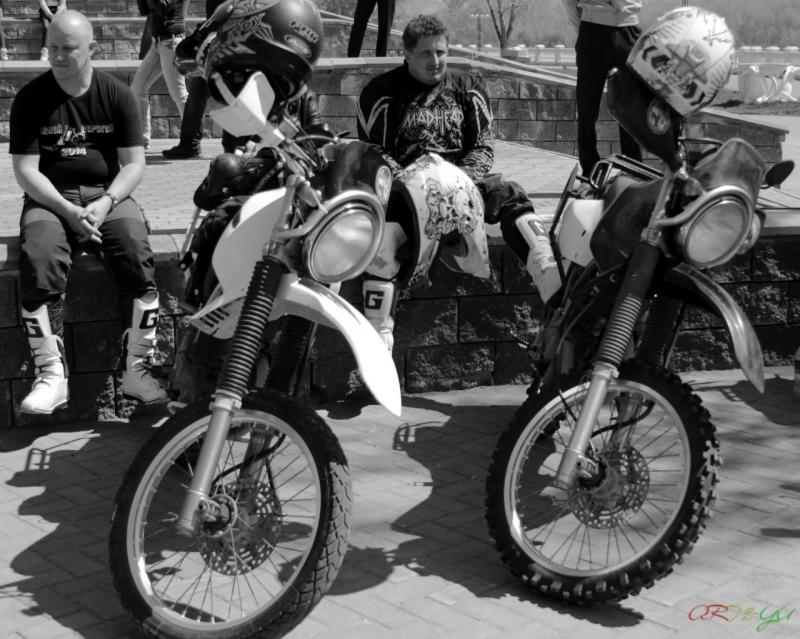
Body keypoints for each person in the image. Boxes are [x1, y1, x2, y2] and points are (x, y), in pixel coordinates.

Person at [357, 14, 560, 350]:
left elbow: (482, 146)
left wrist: (460, 180)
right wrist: (412, 182)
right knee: (383, 235)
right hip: (407, 193)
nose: (435, 61)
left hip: (462, 184)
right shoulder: (381, 92)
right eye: (425, 53)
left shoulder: (468, 88)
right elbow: (374, 152)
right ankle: (378, 339)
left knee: (508, 193)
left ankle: (551, 278)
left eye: (441, 52)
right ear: (407, 54)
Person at [9, 10, 166, 414]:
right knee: (40, 255)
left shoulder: (118, 94)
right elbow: (26, 171)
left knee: (135, 250)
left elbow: (134, 165)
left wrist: (106, 201)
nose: (58, 57)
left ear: (92, 49)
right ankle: (51, 375)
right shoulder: (30, 98)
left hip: (107, 194)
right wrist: (66, 209)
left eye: (68, 48)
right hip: (50, 196)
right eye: (52, 48)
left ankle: (137, 370)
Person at [561, 0, 643, 177]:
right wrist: (584, 28)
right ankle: (591, 169)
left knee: (629, 108)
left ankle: (633, 170)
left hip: (625, 29)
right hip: (595, 27)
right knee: (588, 106)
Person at [130, 0, 189, 150]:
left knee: (179, 93)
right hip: (157, 43)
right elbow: (144, 10)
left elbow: (163, 6)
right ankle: (142, 139)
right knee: (137, 89)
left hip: (171, 41)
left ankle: (191, 141)